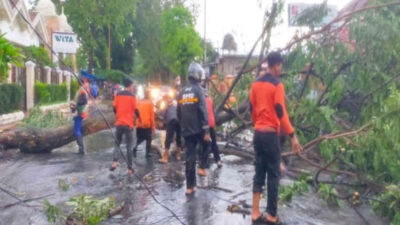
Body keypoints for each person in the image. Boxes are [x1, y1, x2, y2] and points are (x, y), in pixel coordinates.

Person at [249, 52, 302, 224]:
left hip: (257, 133)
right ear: (276, 65)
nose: (281, 68)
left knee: (259, 172)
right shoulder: (277, 85)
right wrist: (293, 136)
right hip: (271, 135)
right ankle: (272, 215)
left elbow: (251, 108)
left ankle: (255, 212)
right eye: (280, 65)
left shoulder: (255, 84)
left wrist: (258, 123)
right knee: (273, 173)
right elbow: (280, 111)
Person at [177, 62, 210, 195]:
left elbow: (178, 112)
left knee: (189, 157)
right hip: (198, 130)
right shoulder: (198, 90)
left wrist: (182, 127)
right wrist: (206, 130)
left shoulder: (182, 91)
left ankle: (190, 186)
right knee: (207, 145)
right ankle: (202, 168)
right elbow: (203, 111)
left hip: (186, 130)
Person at [109, 78, 141, 176]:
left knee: (117, 144)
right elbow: (136, 110)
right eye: (132, 86)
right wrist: (140, 118)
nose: (133, 87)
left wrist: (118, 116)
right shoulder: (132, 96)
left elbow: (114, 108)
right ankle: (130, 169)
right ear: (130, 86)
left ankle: (114, 162)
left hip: (119, 123)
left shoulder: (118, 95)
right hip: (128, 124)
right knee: (129, 147)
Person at [159, 98, 182, 163]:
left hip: (171, 121)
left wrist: (162, 122)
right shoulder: (175, 107)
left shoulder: (166, 108)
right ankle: (178, 156)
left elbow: (161, 116)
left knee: (168, 139)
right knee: (178, 138)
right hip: (179, 122)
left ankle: (165, 158)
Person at [133, 90, 155, 158]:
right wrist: (153, 128)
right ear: (149, 96)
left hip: (139, 124)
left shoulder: (139, 102)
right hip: (146, 124)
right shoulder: (150, 103)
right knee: (149, 138)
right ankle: (148, 153)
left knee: (140, 138)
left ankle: (135, 147)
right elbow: (152, 117)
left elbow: (135, 112)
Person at [205, 91, 222, 168]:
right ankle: (218, 160)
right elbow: (212, 110)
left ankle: (205, 162)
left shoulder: (201, 101)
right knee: (214, 142)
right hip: (212, 123)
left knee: (205, 143)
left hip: (205, 124)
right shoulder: (210, 100)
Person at [71, 78, 88, 155]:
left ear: (78, 83)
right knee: (77, 130)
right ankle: (80, 148)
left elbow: (84, 101)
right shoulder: (81, 90)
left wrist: (76, 104)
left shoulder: (81, 91)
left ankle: (81, 149)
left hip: (80, 113)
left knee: (77, 131)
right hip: (79, 112)